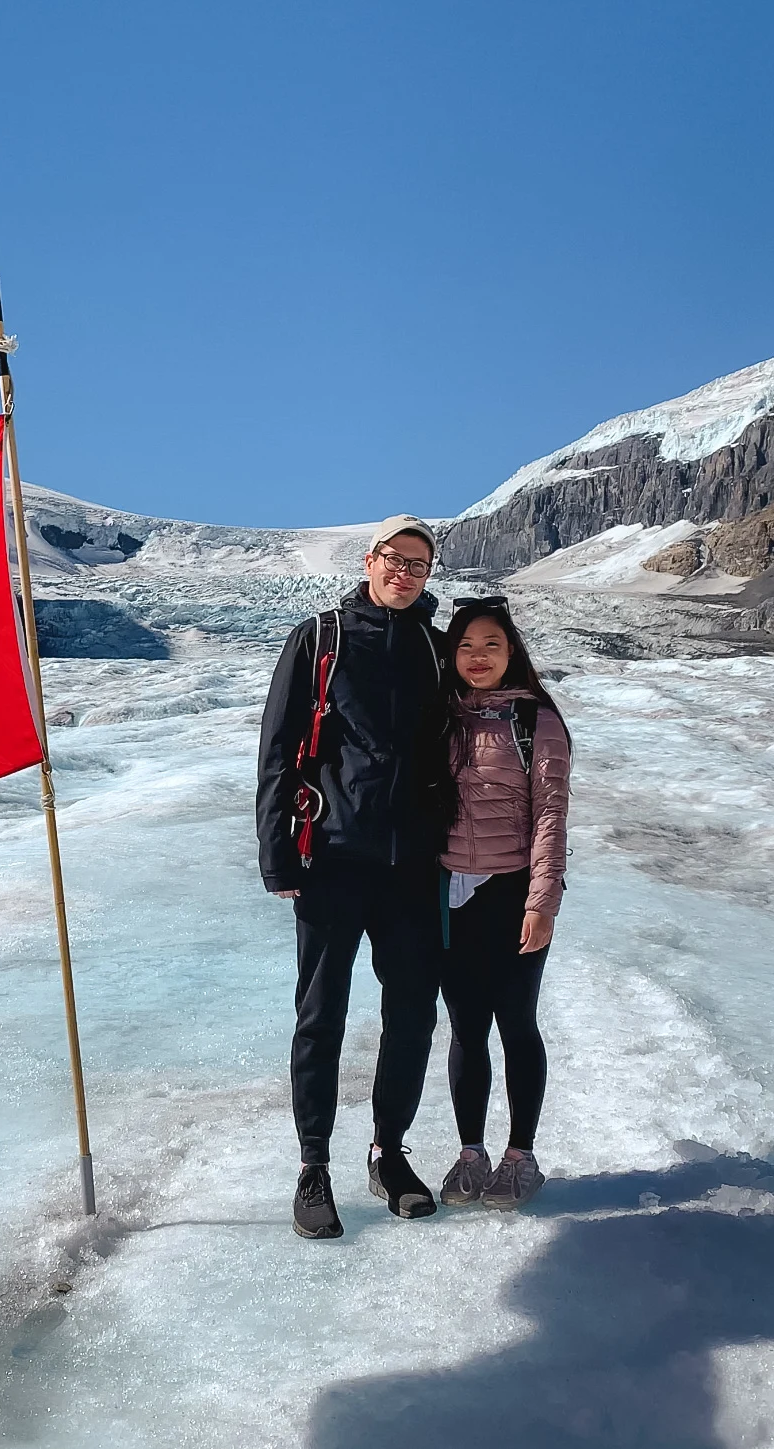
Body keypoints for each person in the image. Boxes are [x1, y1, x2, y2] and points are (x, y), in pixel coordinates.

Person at [257, 516, 454, 1239]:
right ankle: (314, 1166)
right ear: (369, 561)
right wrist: (277, 853)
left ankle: (388, 1151)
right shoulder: (320, 638)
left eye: (420, 565)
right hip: (332, 859)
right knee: (322, 1016)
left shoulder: (437, 651)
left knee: (412, 1014)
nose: (406, 573)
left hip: (411, 867)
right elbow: (278, 749)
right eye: (396, 559)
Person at [434, 595, 570, 1210]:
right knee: (465, 1027)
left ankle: (521, 1154)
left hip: (512, 892)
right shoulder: (440, 717)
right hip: (449, 895)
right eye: (465, 646)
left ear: (511, 650)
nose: (478, 656)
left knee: (515, 1020)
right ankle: (470, 1152)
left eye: (491, 644)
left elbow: (550, 814)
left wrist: (542, 899)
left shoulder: (535, 719)